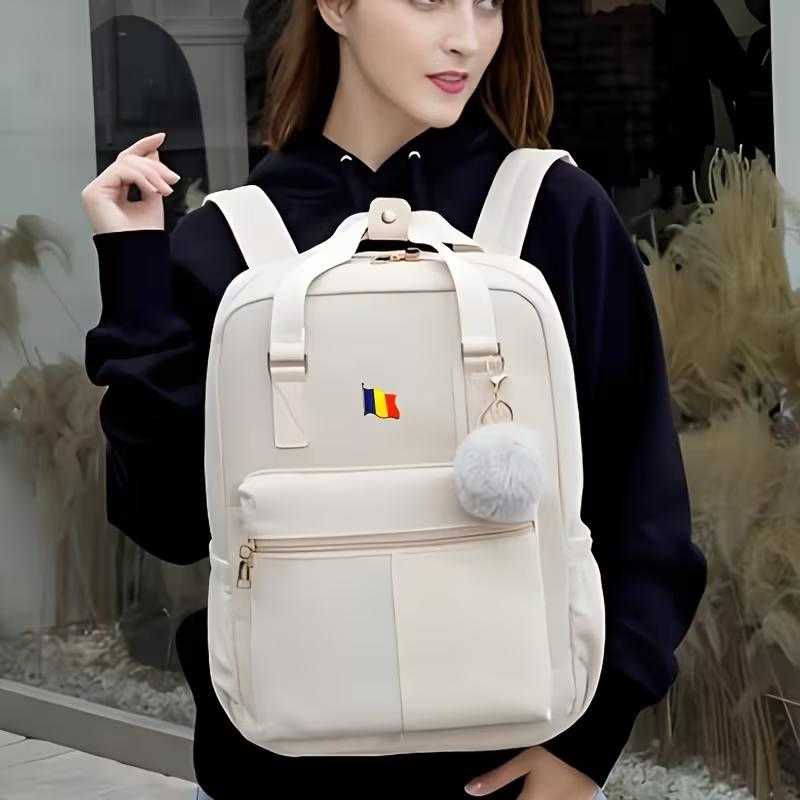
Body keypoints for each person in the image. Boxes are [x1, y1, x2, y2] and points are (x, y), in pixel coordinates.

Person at [80, 1, 708, 798]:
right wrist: (133, 266)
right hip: (277, 772)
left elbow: (644, 502)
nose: (467, 38)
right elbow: (167, 521)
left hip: (509, 774)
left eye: (489, 5)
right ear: (336, 7)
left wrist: (590, 741)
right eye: (428, 0)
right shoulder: (232, 241)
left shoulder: (555, 212)